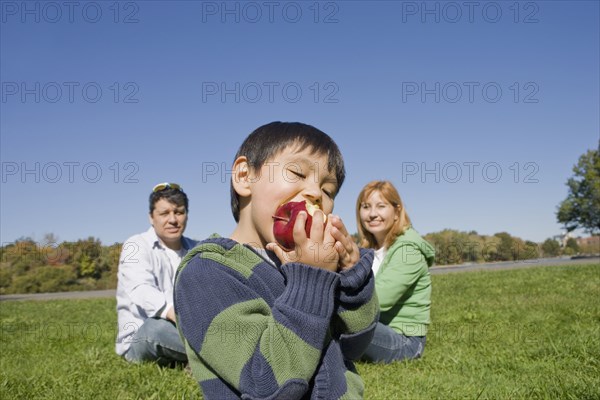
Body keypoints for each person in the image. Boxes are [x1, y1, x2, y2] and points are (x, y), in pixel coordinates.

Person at [174, 121, 378, 399]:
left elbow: (355, 345)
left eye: (328, 191)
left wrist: (352, 278)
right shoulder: (206, 273)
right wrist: (310, 280)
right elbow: (266, 383)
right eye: (297, 172)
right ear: (245, 176)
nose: (316, 194)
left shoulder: (306, 266)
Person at [116, 182, 198, 366]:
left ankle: (197, 360)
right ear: (151, 218)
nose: (173, 219)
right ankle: (222, 355)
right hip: (142, 336)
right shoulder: (135, 245)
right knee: (156, 329)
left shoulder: (196, 249)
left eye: (179, 212)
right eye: (164, 213)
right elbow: (141, 289)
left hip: (188, 329)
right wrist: (175, 314)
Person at [356, 180, 435, 364]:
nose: (373, 214)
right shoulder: (366, 249)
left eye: (381, 206)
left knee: (343, 318)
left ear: (397, 211)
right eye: (366, 207)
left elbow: (380, 299)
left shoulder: (409, 250)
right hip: (376, 328)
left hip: (405, 341)